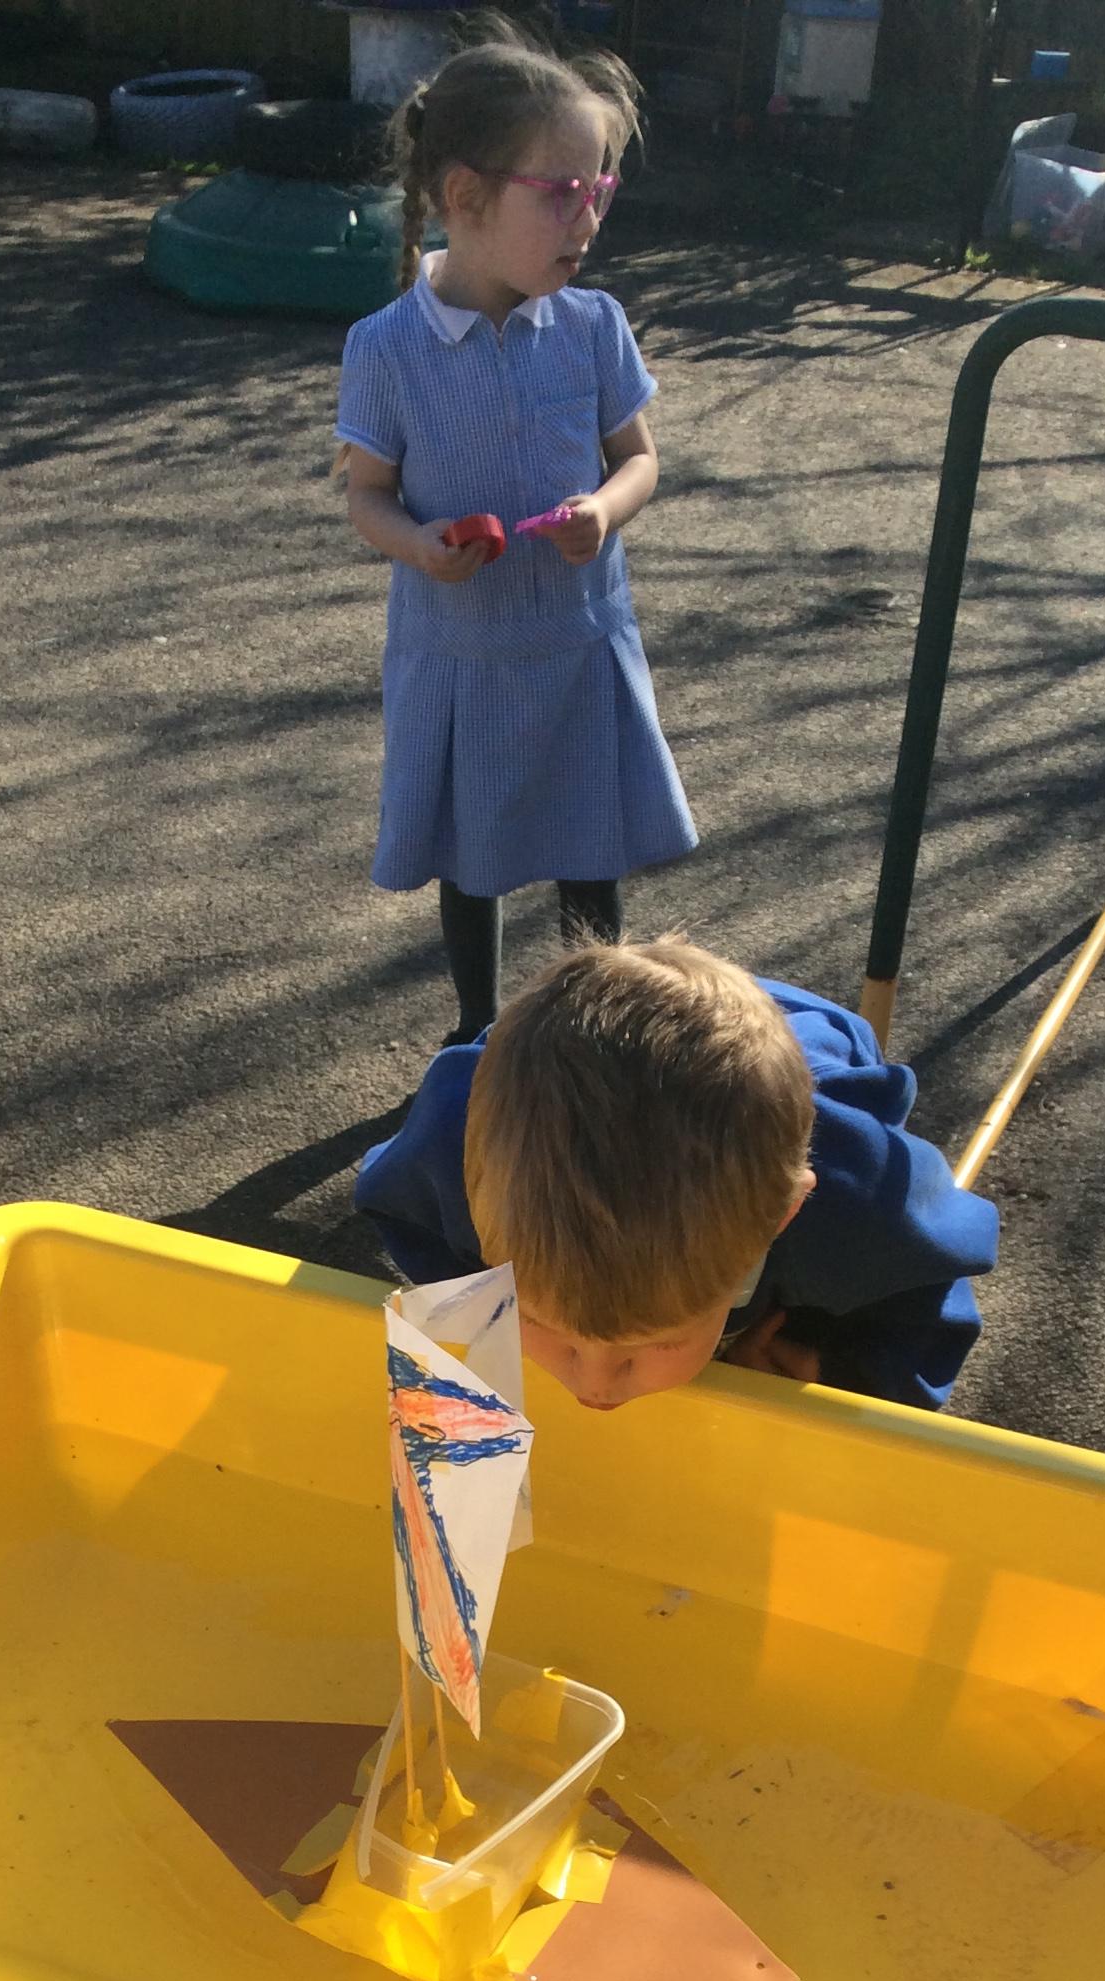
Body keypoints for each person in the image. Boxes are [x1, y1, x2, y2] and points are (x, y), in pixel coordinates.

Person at [334, 15, 696, 1047]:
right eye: (562, 193)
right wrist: (419, 546)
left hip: (579, 643)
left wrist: (604, 510)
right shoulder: (387, 347)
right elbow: (367, 495)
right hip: (466, 655)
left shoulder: (593, 325)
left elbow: (639, 460)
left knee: (592, 843)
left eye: (599, 189)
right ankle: (476, 1032)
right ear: (466, 196)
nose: (588, 220)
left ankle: (596, 1026)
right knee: (474, 851)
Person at [355, 937, 999, 1413]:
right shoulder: (451, 1143)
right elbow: (399, 1209)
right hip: (558, 1055)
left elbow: (932, 1297)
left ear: (783, 1217)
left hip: (813, 1057)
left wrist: (836, 1369)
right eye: (544, 1323)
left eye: (658, 1342)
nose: (594, 1388)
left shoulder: (859, 1202)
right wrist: (482, 1310)